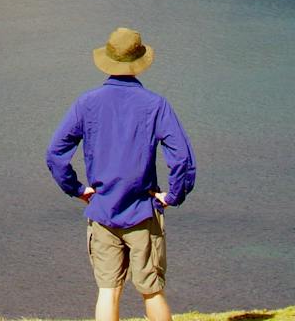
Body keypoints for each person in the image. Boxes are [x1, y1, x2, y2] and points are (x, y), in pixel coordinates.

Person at [46, 27, 197, 321]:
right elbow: (182, 158)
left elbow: (55, 154)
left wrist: (77, 189)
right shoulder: (155, 105)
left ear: (108, 60)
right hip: (142, 210)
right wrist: (174, 195)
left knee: (108, 291)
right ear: (139, 60)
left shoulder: (86, 103)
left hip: (102, 210)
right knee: (151, 291)